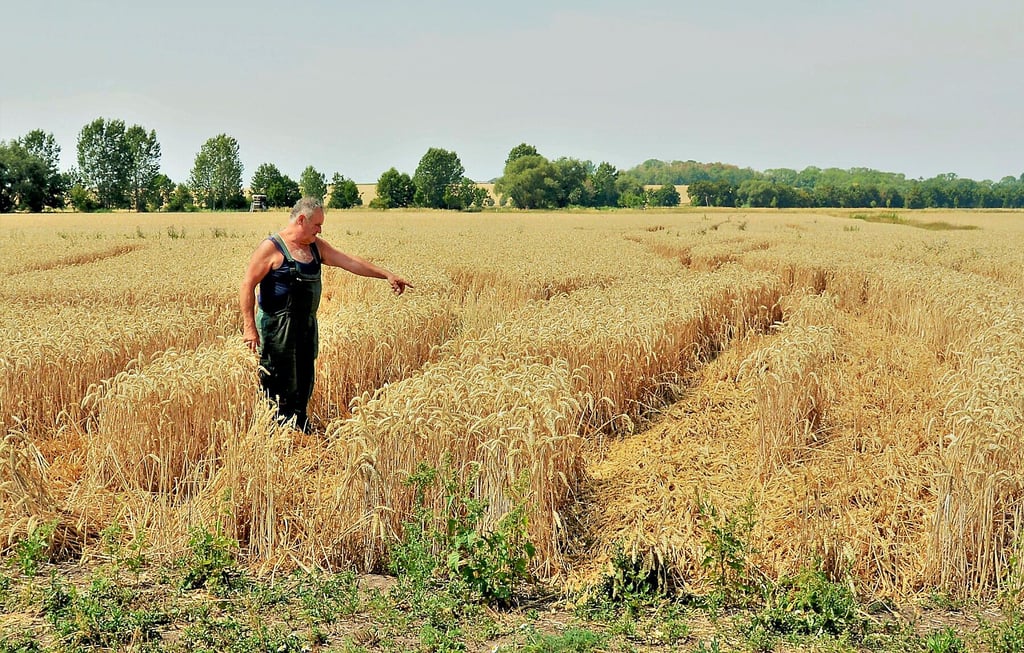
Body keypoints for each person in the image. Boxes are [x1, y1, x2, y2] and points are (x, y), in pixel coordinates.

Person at [239, 197, 412, 432]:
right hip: (277, 328)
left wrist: (387, 275)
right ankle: (276, 435)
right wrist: (250, 328)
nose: (320, 230)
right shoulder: (271, 248)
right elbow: (247, 285)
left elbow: (349, 261)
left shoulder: (316, 247)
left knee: (304, 380)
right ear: (301, 220)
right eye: (317, 225)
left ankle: (299, 426)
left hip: (306, 326)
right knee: (278, 383)